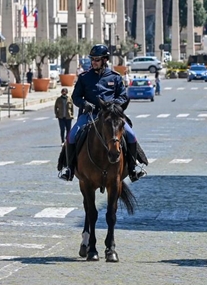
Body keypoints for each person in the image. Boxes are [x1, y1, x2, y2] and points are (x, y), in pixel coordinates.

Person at [59, 44, 146, 182]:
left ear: (105, 60)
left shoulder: (115, 77)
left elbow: (123, 96)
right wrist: (84, 104)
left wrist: (113, 105)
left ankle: (132, 168)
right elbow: (76, 97)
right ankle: (69, 169)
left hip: (111, 116)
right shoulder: (84, 77)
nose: (94, 62)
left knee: (131, 135)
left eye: (97, 59)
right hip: (90, 115)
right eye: (92, 59)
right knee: (71, 136)